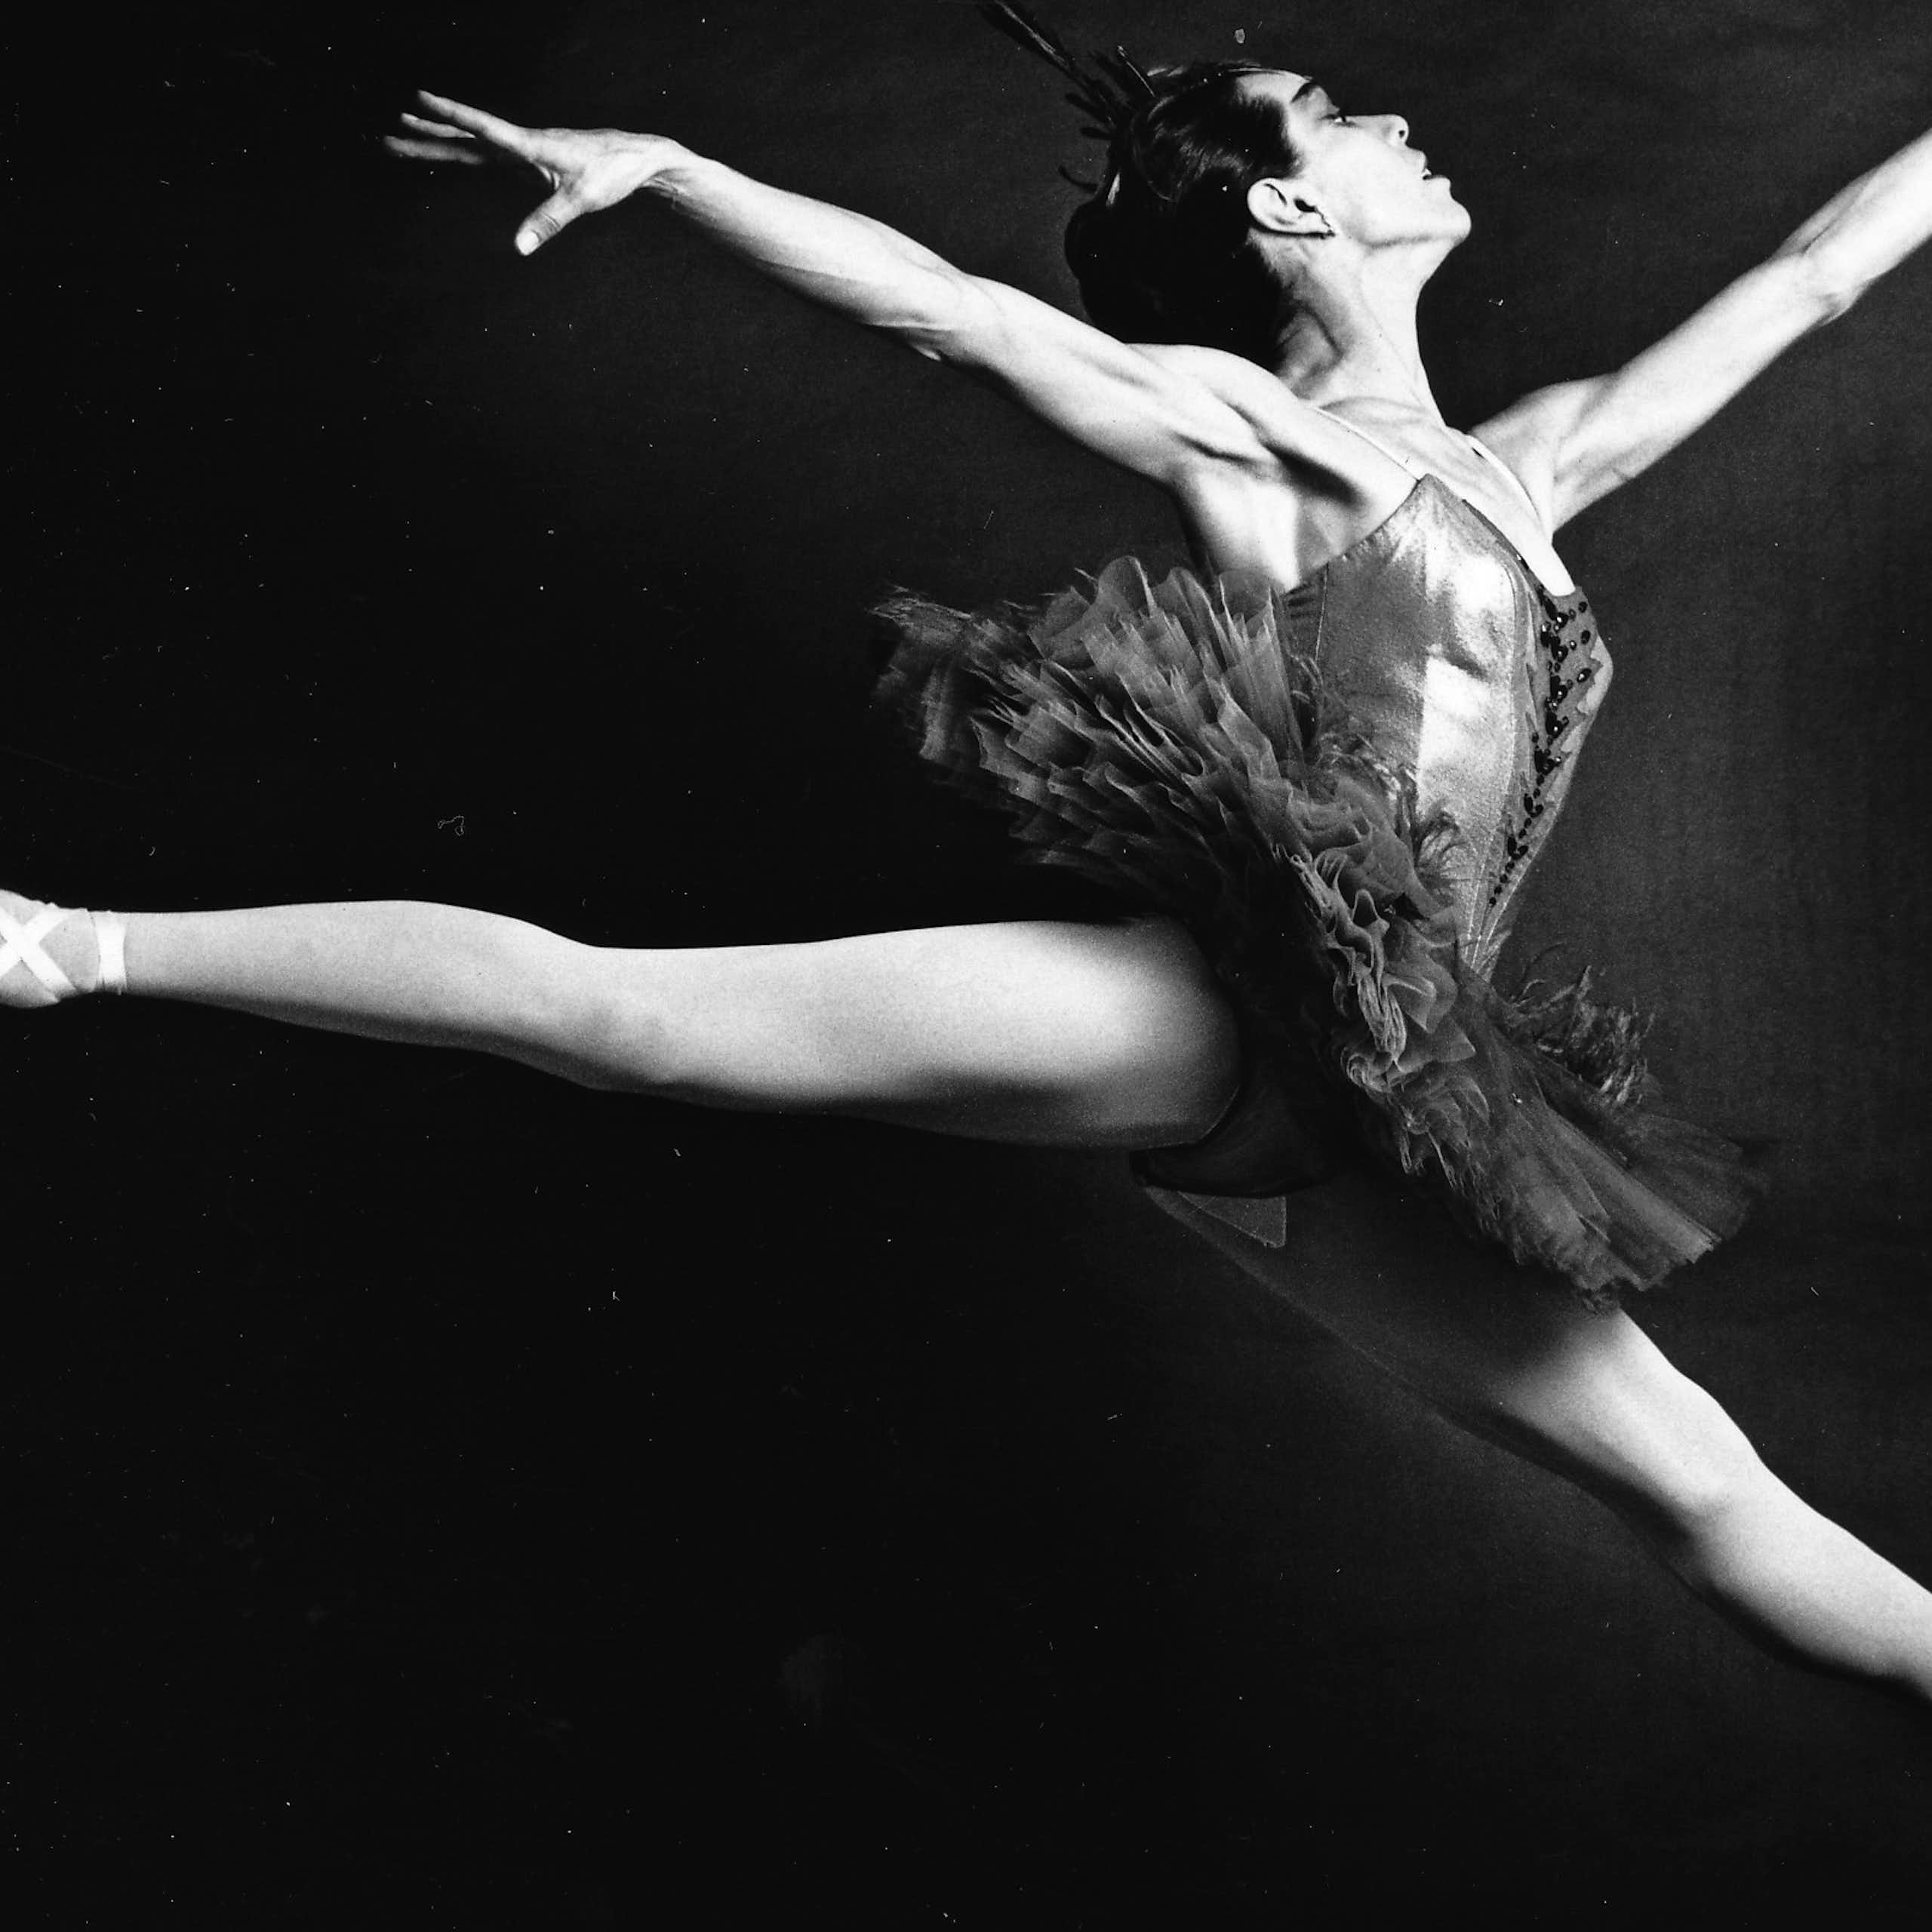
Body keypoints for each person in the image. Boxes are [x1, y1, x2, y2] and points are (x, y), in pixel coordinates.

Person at [7, 12, 1931, 1706]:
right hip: (1230, 1017)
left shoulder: (1540, 458)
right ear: (1283, 214)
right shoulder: (1262, 436)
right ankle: (63, 944)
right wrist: (678, 170)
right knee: (628, 1019)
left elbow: (1821, 270)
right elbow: (958, 314)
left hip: (1389, 1115)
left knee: (1709, 1495)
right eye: (1331, 111)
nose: (1391, 126)